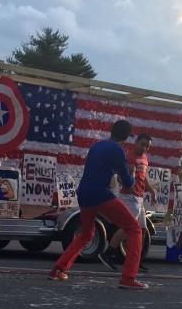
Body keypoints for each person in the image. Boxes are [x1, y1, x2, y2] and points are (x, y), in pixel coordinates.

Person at [49, 119, 147, 289]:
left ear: (112, 131)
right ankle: (129, 278)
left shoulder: (97, 145)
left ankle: (58, 269)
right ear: (126, 137)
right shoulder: (118, 151)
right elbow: (128, 183)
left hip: (84, 193)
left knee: (87, 234)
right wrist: (130, 174)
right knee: (134, 229)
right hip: (100, 194)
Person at [98, 133, 155, 274]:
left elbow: (143, 177)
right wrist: (127, 182)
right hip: (129, 196)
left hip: (139, 198)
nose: (144, 148)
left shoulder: (144, 158)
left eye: (147, 146)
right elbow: (119, 177)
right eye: (142, 144)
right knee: (128, 227)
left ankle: (136, 259)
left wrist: (152, 191)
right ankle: (108, 253)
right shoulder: (129, 157)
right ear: (135, 142)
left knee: (141, 230)